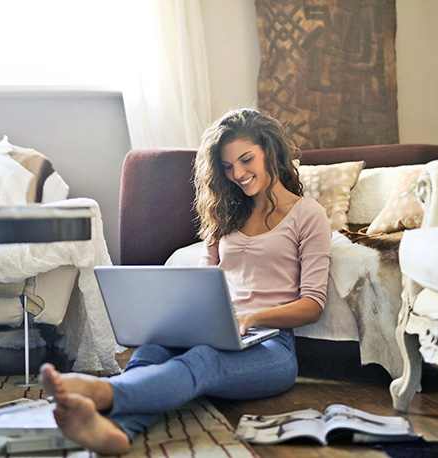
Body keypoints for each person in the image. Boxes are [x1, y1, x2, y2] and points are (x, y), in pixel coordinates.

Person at [39, 108, 332, 455]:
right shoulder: (226, 214)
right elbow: (203, 285)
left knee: (201, 361)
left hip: (272, 348)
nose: (238, 174)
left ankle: (105, 392)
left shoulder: (307, 214)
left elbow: (313, 304)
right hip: (215, 329)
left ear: (270, 151)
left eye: (246, 159)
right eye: (227, 166)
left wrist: (251, 318)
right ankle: (117, 432)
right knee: (151, 351)